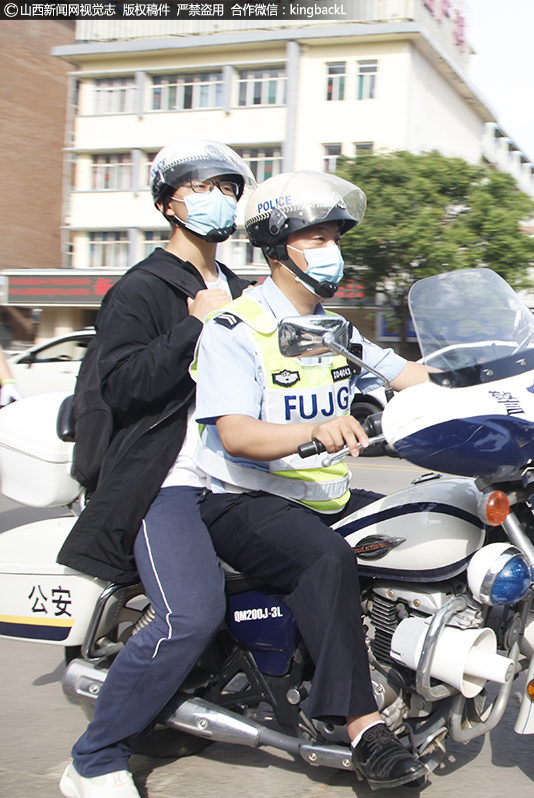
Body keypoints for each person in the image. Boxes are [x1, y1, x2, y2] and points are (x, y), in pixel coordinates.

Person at [191, 171, 430, 790]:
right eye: (315, 238)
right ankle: (363, 728)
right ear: (277, 251)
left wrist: (494, 376)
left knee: (428, 518)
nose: (332, 249)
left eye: (333, 236)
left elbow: (407, 377)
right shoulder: (234, 329)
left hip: (324, 494)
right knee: (326, 562)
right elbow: (237, 434)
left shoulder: (334, 329)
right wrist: (312, 430)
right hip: (245, 498)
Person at [55, 139, 257, 798]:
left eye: (229, 189)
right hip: (165, 480)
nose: (219, 200)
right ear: (169, 201)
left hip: (241, 471)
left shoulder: (241, 288)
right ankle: (94, 758)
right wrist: (191, 329)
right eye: (203, 188)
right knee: (190, 613)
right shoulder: (142, 288)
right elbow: (119, 385)